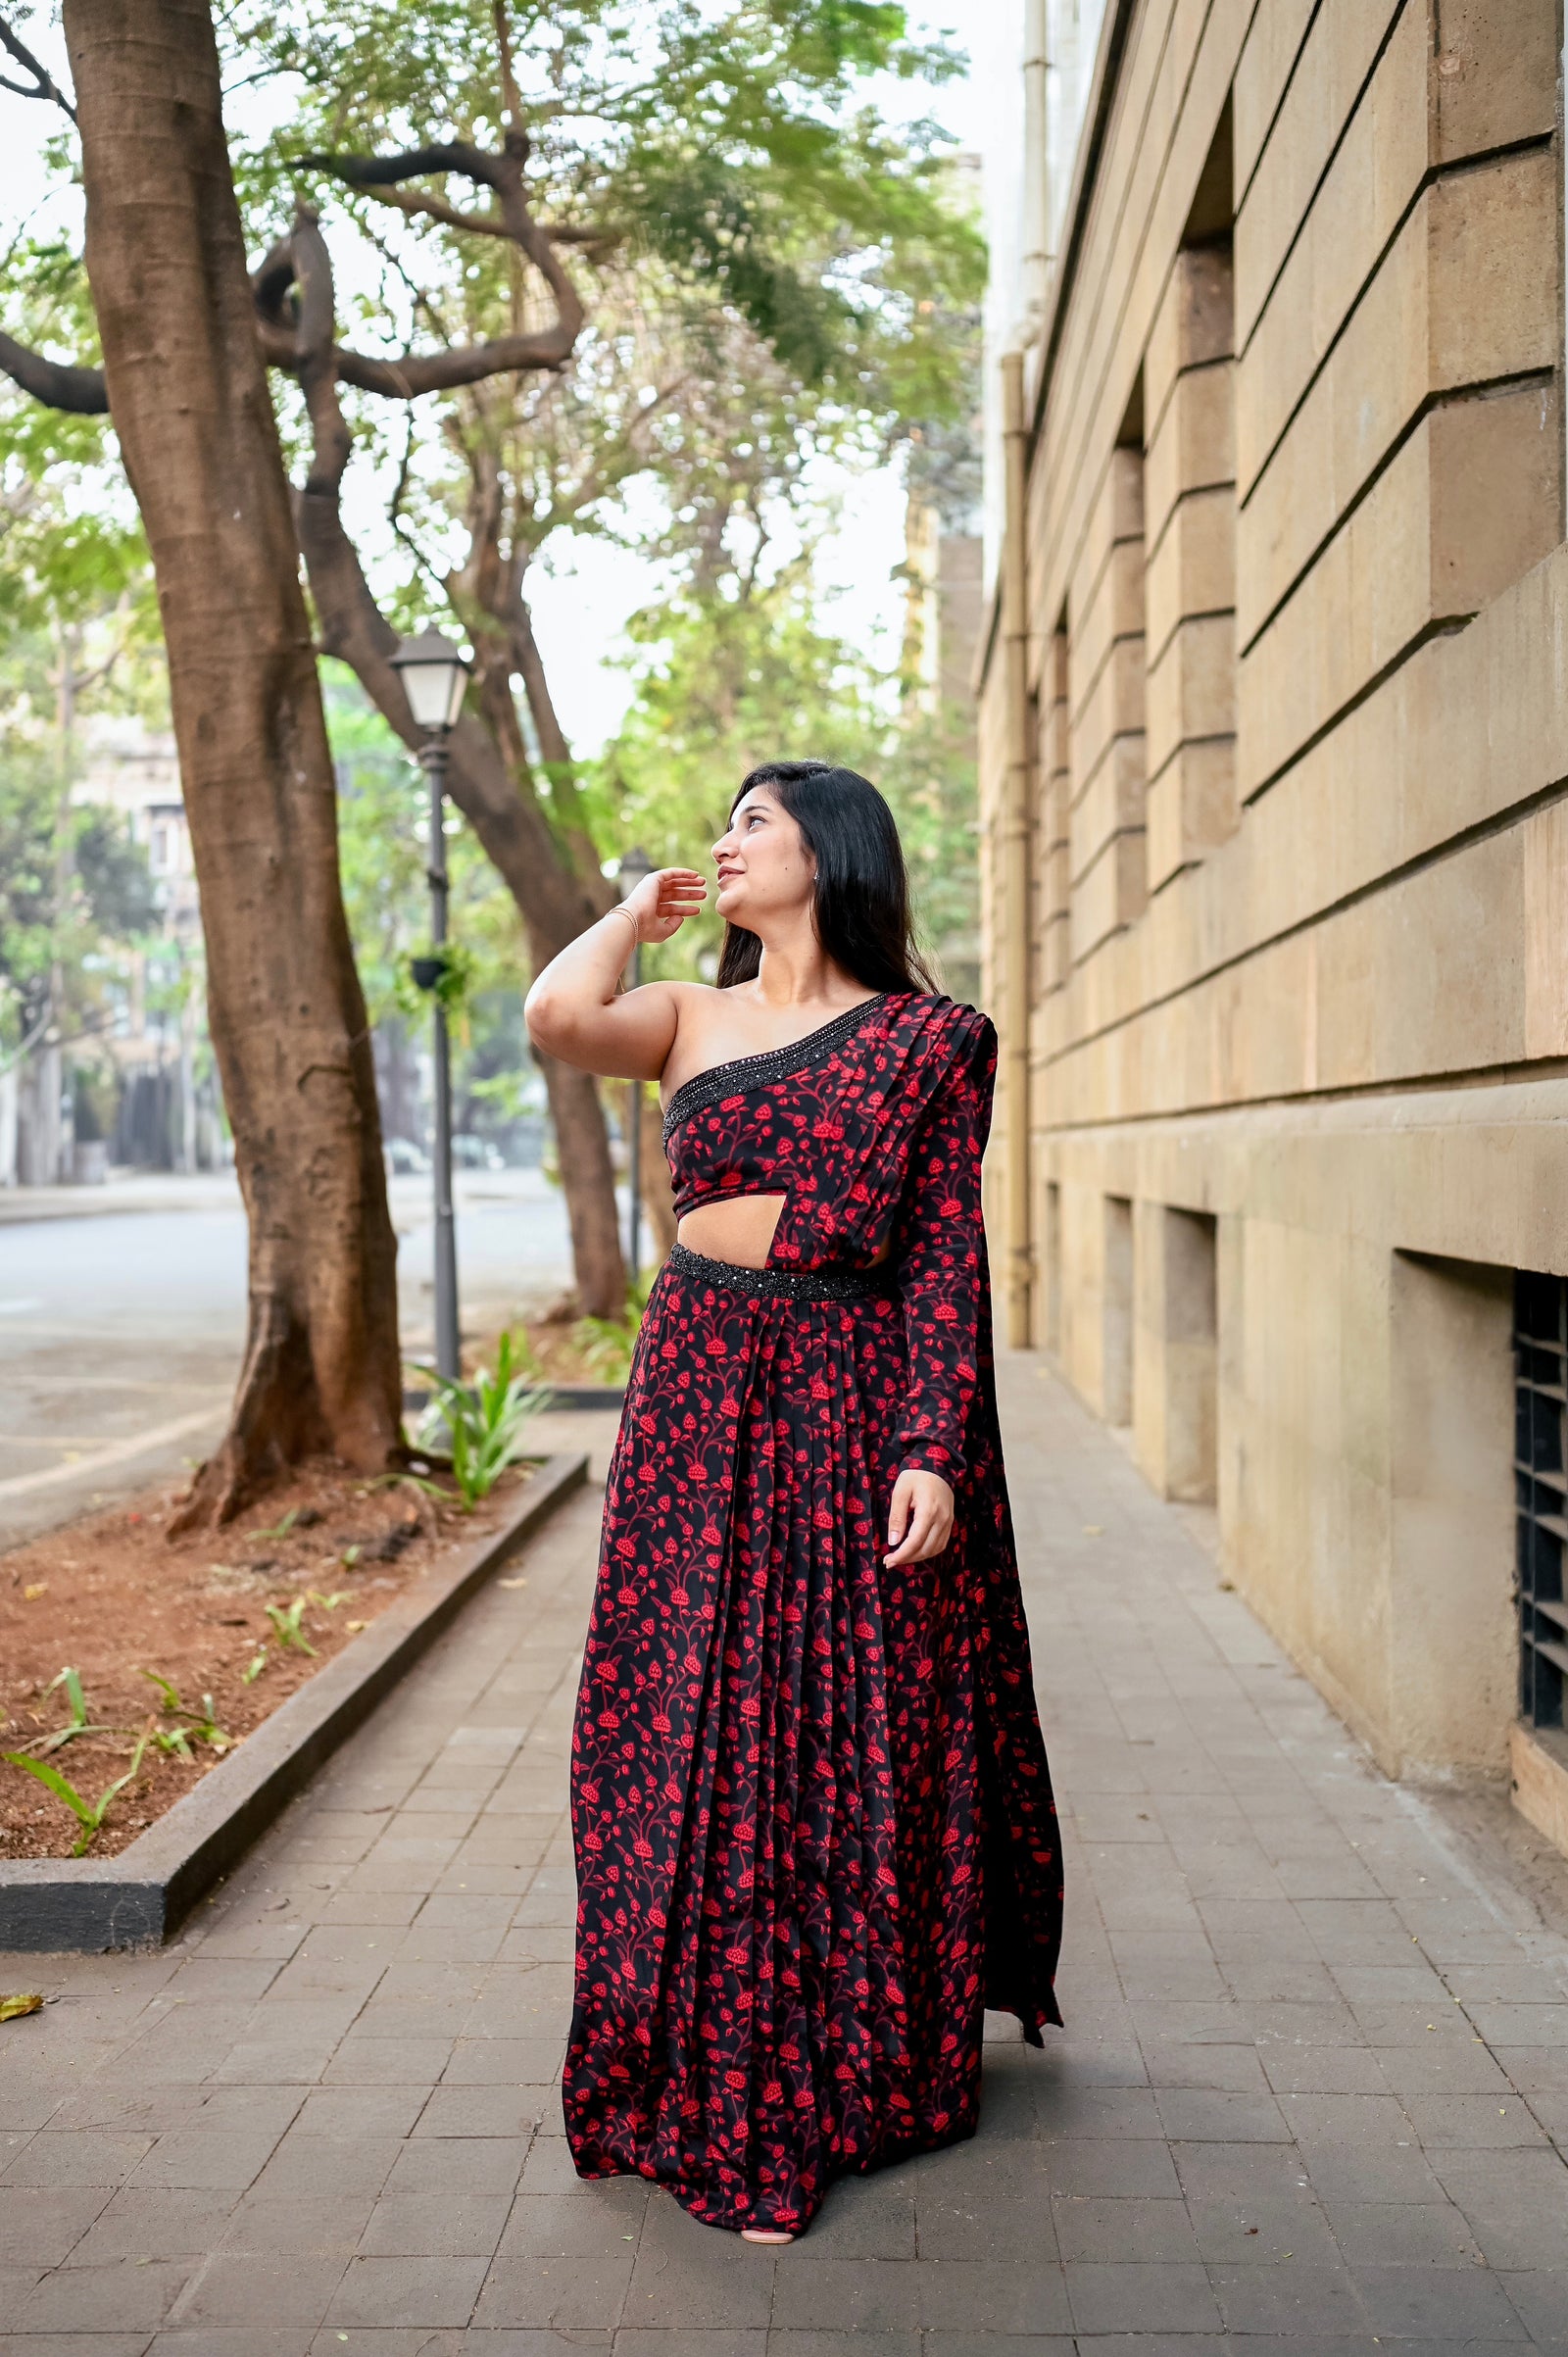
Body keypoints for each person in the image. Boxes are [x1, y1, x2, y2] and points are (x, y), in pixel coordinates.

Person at [523, 758, 1063, 2242]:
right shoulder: (690, 1017)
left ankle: (841, 2069)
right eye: (727, 821)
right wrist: (633, 914)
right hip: (699, 1399)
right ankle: (710, 2057)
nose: (727, 838)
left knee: (841, 1723)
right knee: (685, 1717)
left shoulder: (931, 1042)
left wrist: (933, 1447)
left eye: (754, 818)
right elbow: (556, 1016)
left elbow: (948, 1252)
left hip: (847, 1390)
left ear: (830, 848)